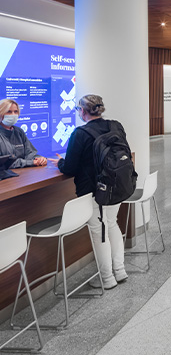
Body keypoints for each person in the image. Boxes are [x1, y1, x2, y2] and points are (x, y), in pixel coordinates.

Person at [51, 95, 128, 289]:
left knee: (98, 231)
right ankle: (119, 271)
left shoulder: (80, 133)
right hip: (118, 184)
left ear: (83, 111)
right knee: (111, 224)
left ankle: (107, 278)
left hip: (94, 191)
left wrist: (60, 162)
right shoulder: (115, 126)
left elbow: (69, 168)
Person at [0, 98, 47, 168]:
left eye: (15, 111)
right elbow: (5, 163)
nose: (13, 115)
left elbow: (30, 153)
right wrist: (31, 162)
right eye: (9, 112)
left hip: (23, 175)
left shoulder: (19, 132)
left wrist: (39, 159)